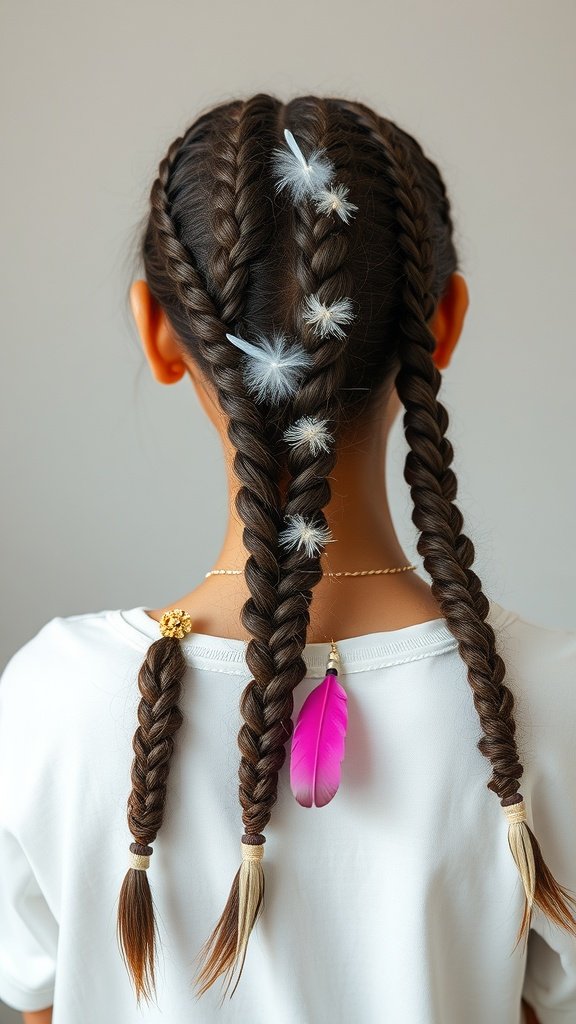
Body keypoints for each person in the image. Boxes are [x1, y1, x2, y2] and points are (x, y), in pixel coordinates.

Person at [0, 93, 574, 1024]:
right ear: (444, 325)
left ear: (158, 333)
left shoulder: (51, 700)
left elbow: (42, 1004)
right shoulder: (555, 699)